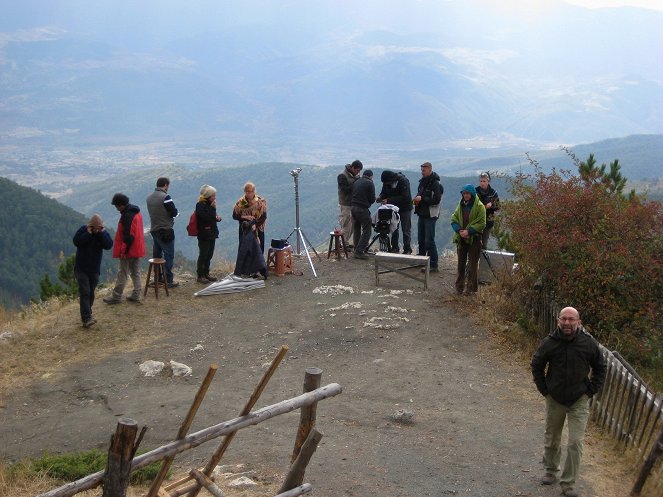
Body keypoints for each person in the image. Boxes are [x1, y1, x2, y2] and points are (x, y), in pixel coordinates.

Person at [531, 307, 607, 497]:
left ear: (578, 322)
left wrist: (590, 391)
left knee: (575, 442)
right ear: (558, 321)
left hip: (579, 399)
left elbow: (601, 366)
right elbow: (536, 365)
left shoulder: (588, 344)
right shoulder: (549, 343)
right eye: (563, 319)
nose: (567, 322)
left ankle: (568, 483)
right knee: (552, 437)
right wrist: (545, 390)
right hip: (555, 398)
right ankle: (550, 470)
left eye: (571, 319)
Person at [103, 194, 146, 304]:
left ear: (121, 205)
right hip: (137, 248)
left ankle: (116, 297)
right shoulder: (136, 212)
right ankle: (136, 295)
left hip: (129, 250)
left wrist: (124, 251)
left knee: (122, 273)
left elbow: (128, 237)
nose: (116, 209)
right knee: (135, 272)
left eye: (117, 206)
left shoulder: (128, 216)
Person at [73, 214, 113, 327]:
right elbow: (76, 241)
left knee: (91, 292)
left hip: (94, 269)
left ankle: (88, 314)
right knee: (85, 292)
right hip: (81, 268)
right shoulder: (83, 230)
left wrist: (102, 233)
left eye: (98, 228)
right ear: (90, 226)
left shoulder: (102, 234)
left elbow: (109, 245)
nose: (96, 230)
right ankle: (86, 318)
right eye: (94, 228)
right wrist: (88, 233)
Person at [450, 184, 486, 295]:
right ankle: (459, 287)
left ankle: (471, 289)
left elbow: (482, 223)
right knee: (460, 264)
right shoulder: (460, 205)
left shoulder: (480, 206)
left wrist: (469, 231)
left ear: (472, 194)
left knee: (472, 264)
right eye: (464, 193)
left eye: (467, 193)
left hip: (474, 239)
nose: (465, 195)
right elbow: (454, 218)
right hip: (461, 238)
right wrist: (459, 230)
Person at [146, 177, 179, 288]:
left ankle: (158, 278)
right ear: (165, 185)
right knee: (168, 255)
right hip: (166, 231)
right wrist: (174, 214)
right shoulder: (166, 197)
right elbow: (174, 212)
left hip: (154, 230)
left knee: (157, 255)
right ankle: (168, 280)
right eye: (168, 186)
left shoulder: (149, 198)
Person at [413, 162, 443, 272]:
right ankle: (421, 260)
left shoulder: (435, 183)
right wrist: (416, 199)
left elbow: (437, 200)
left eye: (424, 170)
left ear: (430, 169)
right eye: (421, 170)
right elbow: (420, 194)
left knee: (429, 240)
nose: (422, 172)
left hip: (431, 215)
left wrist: (422, 199)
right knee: (421, 239)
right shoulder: (422, 182)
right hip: (422, 213)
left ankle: (434, 265)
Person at [376, 170, 413, 254]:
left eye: (387, 182)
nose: (387, 184)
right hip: (393, 208)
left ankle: (407, 249)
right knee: (394, 228)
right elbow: (384, 192)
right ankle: (395, 248)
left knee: (406, 229)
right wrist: (380, 197)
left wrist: (388, 200)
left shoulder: (403, 181)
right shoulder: (387, 182)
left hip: (405, 208)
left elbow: (405, 196)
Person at [196, 184, 222, 283]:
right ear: (208, 196)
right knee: (203, 255)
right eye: (213, 196)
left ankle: (206, 273)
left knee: (209, 255)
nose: (215, 197)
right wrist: (213, 208)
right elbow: (205, 218)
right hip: (204, 234)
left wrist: (217, 218)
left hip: (212, 233)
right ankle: (200, 275)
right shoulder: (200, 205)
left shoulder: (209, 205)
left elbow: (211, 217)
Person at [232, 182, 267, 253]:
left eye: (249, 191)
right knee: (245, 250)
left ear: (254, 191)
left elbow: (263, 216)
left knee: (258, 250)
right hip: (245, 229)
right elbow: (234, 216)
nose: (247, 193)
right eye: (246, 191)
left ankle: (258, 264)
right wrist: (244, 217)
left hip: (258, 229)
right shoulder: (240, 203)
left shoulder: (260, 202)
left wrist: (255, 224)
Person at [351, 169, 375, 259]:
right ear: (370, 176)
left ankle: (356, 248)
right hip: (362, 209)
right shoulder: (370, 183)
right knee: (367, 229)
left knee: (356, 228)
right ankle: (359, 251)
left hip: (353, 207)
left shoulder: (357, 181)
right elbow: (372, 199)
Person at [337, 160, 363, 246]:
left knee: (352, 225)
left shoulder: (355, 176)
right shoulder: (342, 176)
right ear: (353, 168)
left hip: (353, 203)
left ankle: (345, 242)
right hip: (345, 204)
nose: (358, 173)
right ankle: (342, 244)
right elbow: (345, 190)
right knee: (346, 225)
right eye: (357, 170)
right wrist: (356, 182)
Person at [475, 171, 499, 249]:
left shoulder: (493, 192)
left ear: (488, 181)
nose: (482, 183)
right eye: (481, 181)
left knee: (484, 244)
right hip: (476, 221)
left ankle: (482, 260)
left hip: (487, 221)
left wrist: (491, 205)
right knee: (474, 243)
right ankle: (473, 260)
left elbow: (498, 206)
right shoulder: (475, 191)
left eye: (484, 181)